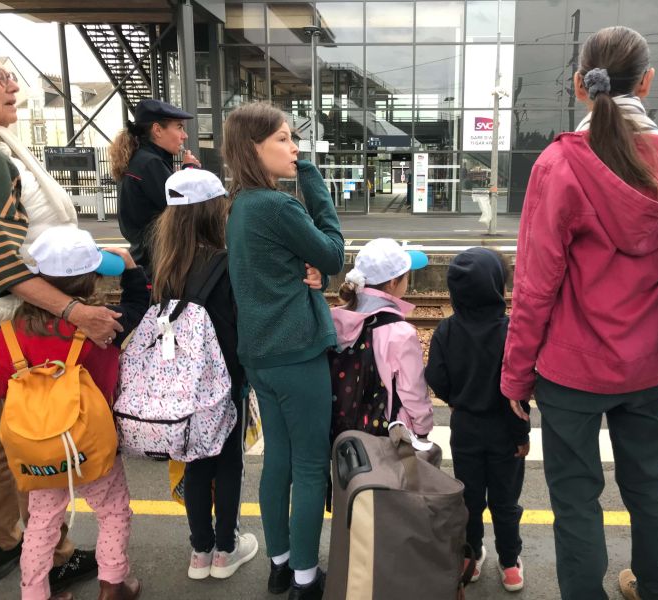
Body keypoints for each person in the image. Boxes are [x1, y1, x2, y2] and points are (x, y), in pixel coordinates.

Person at [500, 26, 658, 600]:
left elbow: (535, 286)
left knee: (576, 498)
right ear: (647, 82)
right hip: (649, 364)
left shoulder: (560, 164)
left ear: (581, 85)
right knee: (648, 484)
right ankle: (657, 589)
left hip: (571, 370)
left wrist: (516, 374)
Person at [0, 44, 121, 591]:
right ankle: (40, 551)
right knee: (23, 436)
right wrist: (77, 309)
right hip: (7, 318)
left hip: (5, 322)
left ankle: (11, 548)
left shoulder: (0, 147)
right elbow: (1, 262)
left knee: (1, 440)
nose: (13, 84)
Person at [0, 226, 148, 600]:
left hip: (39, 452)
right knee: (113, 511)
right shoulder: (103, 324)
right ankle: (113, 584)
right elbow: (140, 303)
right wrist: (130, 268)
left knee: (41, 523)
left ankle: (35, 593)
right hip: (92, 444)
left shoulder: (10, 334)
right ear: (92, 279)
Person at [223, 102, 345, 600]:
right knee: (310, 466)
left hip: (260, 355)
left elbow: (281, 268)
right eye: (283, 138)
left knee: (278, 459)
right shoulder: (278, 205)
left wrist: (310, 275)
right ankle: (305, 578)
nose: (294, 148)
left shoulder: (239, 205)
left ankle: (279, 564)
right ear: (253, 147)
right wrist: (312, 178)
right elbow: (333, 252)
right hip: (296, 353)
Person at [150, 168, 265, 581]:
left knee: (195, 461)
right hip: (224, 380)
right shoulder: (227, 262)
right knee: (228, 461)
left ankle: (200, 551)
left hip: (181, 383)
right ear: (215, 212)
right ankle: (226, 549)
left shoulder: (166, 263)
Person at [425, 248, 530, 593]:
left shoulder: (446, 331)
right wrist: (522, 436)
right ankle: (510, 564)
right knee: (506, 501)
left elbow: (435, 377)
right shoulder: (511, 332)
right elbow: (518, 393)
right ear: (497, 287)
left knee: (469, 499)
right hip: (505, 433)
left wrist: (456, 400)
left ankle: (470, 559)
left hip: (465, 430)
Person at [331, 237, 432, 438]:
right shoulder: (400, 333)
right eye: (406, 276)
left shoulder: (336, 320)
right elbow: (413, 393)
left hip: (339, 434)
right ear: (393, 283)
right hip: (384, 439)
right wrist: (423, 431)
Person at [109, 98, 200, 275]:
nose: (184, 136)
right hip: (158, 261)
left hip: (148, 258)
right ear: (157, 130)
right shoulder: (150, 163)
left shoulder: (140, 159)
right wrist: (190, 171)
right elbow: (183, 209)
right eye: (179, 127)